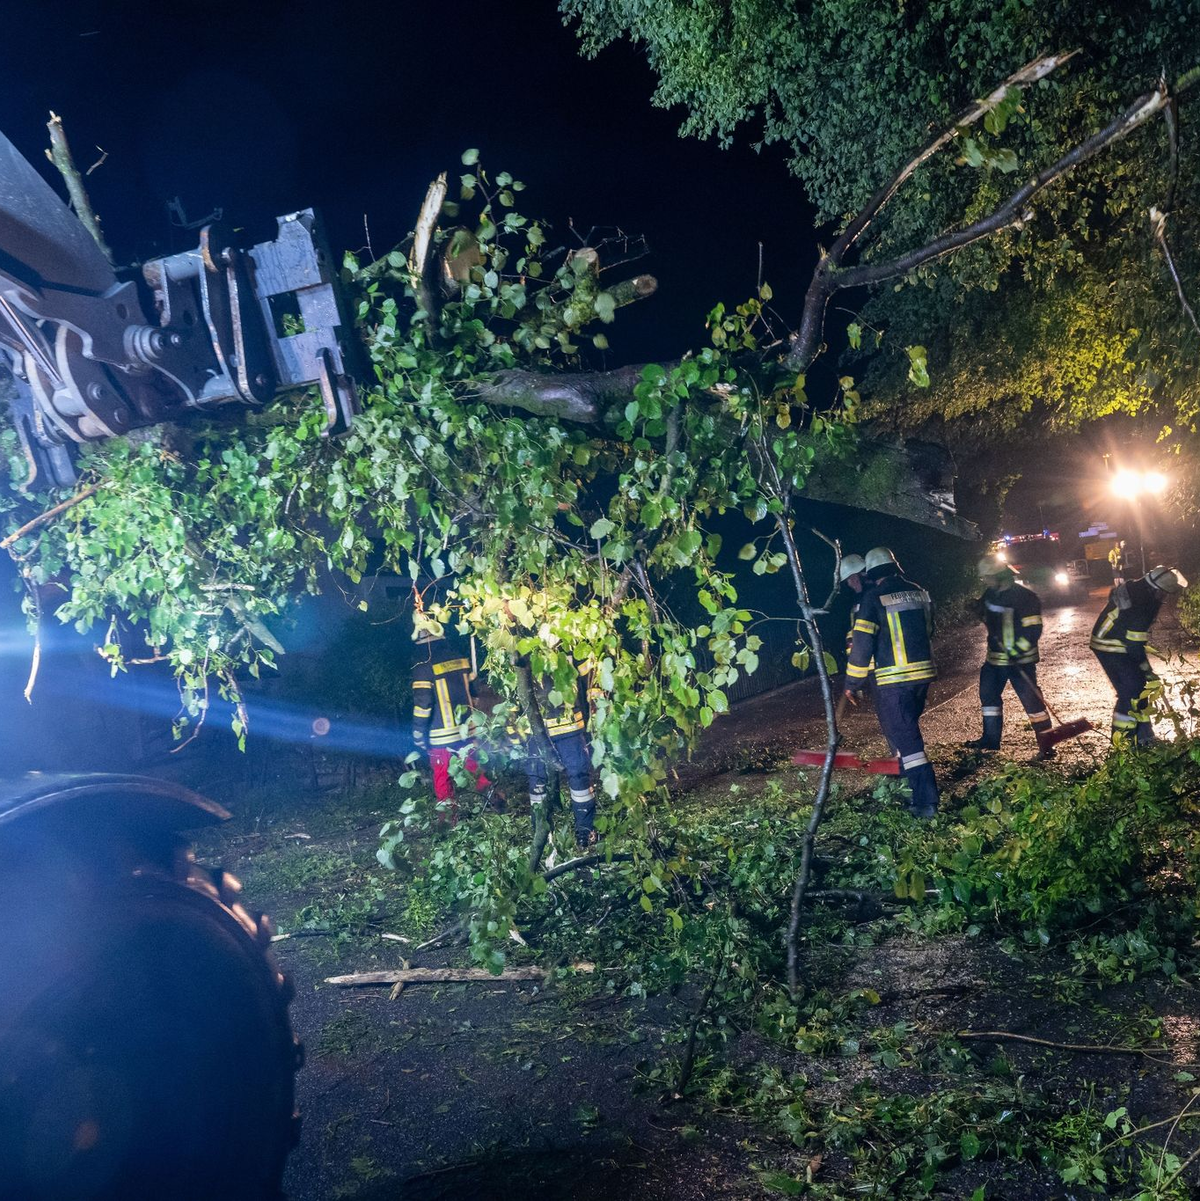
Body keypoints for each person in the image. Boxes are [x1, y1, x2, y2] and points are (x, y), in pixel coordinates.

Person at [845, 546, 939, 817]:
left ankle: (926, 802)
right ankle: (907, 781)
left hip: (893, 680)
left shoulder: (873, 598)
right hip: (923, 675)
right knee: (904, 732)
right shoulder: (920, 591)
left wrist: (852, 682)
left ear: (871, 573)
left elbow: (862, 645)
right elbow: (930, 628)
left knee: (908, 741)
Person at [965, 555, 1054, 757]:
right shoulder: (991, 593)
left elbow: (1033, 631)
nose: (985, 581)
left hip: (1020, 661)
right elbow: (988, 615)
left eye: (987, 577)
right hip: (995, 660)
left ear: (1000, 576)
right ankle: (990, 740)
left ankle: (1047, 744)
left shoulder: (1026, 598)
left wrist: (1016, 652)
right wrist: (976, 608)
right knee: (988, 697)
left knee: (1032, 703)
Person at [1090, 564, 1189, 746]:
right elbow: (1135, 646)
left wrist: (1146, 673)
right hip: (1110, 645)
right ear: (1158, 590)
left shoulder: (1139, 588)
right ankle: (1122, 741)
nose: (1165, 598)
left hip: (1117, 641)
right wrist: (1147, 670)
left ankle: (1144, 736)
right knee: (1131, 690)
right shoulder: (1142, 603)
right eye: (1165, 594)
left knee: (1140, 688)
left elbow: (1135, 643)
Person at [411, 618, 491, 823]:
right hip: (467, 731)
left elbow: (423, 706)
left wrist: (419, 734)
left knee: (442, 778)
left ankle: (447, 822)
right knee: (475, 770)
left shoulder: (423, 667)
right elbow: (475, 692)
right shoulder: (460, 659)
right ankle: (494, 802)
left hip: (440, 736)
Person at [516, 657, 599, 850]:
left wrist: (595, 711)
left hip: (569, 726)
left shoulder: (569, 638)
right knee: (538, 781)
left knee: (578, 777)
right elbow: (514, 685)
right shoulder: (520, 637)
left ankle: (585, 832)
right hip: (536, 729)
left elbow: (590, 676)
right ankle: (542, 834)